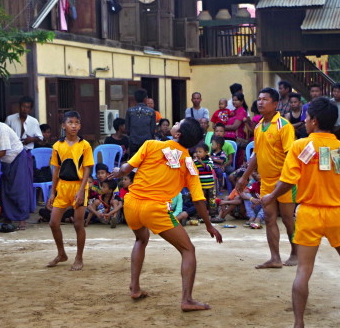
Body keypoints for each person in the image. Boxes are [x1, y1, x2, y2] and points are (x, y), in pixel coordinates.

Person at [260, 97, 340, 328]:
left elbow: (288, 181)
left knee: (303, 269)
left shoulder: (301, 146)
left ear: (314, 121)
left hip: (309, 212)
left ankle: (299, 325)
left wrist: (270, 196)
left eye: (306, 118)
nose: (304, 121)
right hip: (337, 214)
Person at [110, 117, 223, 311]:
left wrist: (117, 172)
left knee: (140, 240)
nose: (175, 124)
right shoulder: (189, 164)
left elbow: (126, 170)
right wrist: (208, 224)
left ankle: (135, 287)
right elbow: (198, 199)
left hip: (131, 204)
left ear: (177, 134)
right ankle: (186, 300)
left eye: (178, 123)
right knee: (188, 250)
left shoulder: (151, 144)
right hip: (155, 209)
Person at [236, 87, 297, 268]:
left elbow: (290, 156)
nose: (260, 102)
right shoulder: (258, 127)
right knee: (269, 218)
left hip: (284, 181)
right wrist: (245, 177)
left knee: (287, 218)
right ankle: (275, 258)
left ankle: (295, 252)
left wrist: (285, 179)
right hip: (266, 181)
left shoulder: (284, 126)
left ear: (275, 104)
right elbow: (256, 154)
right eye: (259, 99)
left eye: (265, 99)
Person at [46, 111, 94, 270]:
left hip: (79, 186)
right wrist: (52, 192)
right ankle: (61, 254)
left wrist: (81, 191)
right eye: (70, 122)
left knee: (78, 224)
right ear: (63, 125)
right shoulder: (57, 146)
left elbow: (87, 170)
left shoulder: (84, 145)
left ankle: (79, 257)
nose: (74, 125)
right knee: (53, 223)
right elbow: (56, 170)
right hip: (62, 187)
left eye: (77, 123)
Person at [125, 89, 156, 156]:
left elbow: (127, 129)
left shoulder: (129, 111)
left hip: (133, 142)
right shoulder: (151, 111)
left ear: (135, 99)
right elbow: (152, 130)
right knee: (146, 162)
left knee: (133, 162)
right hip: (147, 142)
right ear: (146, 99)